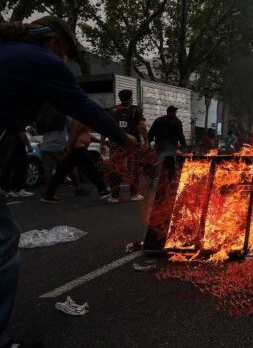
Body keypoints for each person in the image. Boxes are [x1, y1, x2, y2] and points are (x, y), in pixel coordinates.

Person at [0, 17, 134, 348]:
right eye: (66, 55)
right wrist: (123, 137)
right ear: (55, 44)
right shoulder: (41, 61)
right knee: (4, 242)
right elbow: (83, 106)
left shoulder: (9, 53)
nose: (64, 62)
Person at [40, 118, 110, 203]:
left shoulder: (84, 119)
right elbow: (72, 136)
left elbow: (87, 135)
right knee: (92, 168)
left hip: (77, 149)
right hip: (78, 149)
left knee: (62, 172)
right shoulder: (78, 120)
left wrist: (100, 141)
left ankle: (49, 194)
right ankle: (102, 190)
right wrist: (68, 152)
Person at [104, 89, 148, 203]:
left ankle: (114, 196)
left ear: (119, 98)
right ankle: (134, 194)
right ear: (130, 97)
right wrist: (146, 141)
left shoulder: (112, 110)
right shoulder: (135, 109)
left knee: (115, 168)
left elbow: (105, 127)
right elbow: (142, 126)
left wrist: (101, 142)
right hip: (132, 144)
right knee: (133, 168)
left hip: (116, 144)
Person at [148, 106, 187, 183]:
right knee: (170, 165)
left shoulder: (158, 120)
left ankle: (154, 180)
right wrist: (184, 146)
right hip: (171, 148)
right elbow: (180, 135)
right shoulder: (176, 122)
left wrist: (150, 141)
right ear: (174, 112)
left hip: (160, 146)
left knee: (159, 163)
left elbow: (151, 133)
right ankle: (169, 181)